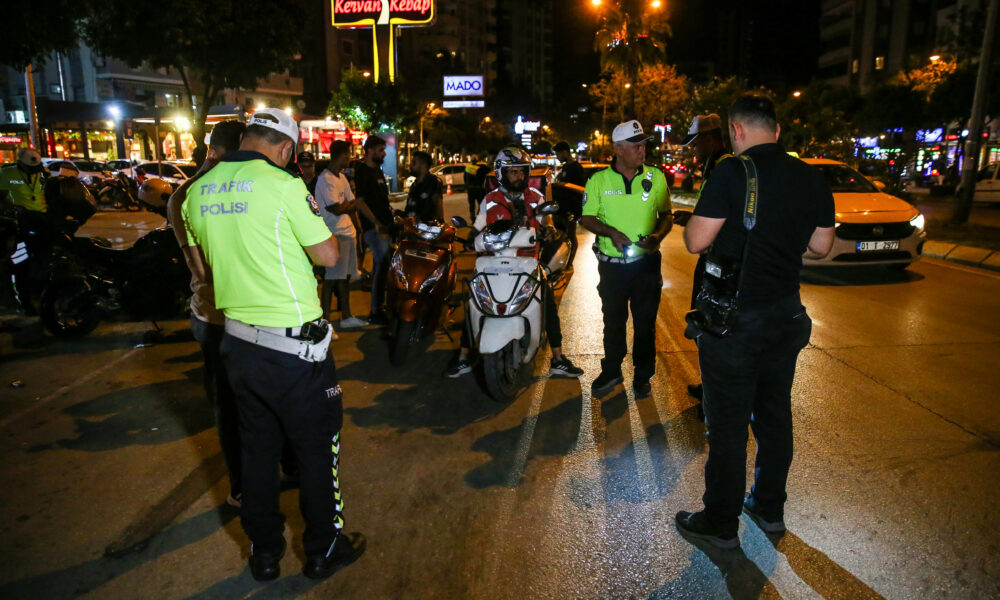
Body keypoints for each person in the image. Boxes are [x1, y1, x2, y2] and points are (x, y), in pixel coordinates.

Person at [180, 108, 366, 581]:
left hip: (238, 345)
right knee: (316, 451)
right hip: (295, 352)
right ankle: (324, 549)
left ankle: (264, 554)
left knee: (257, 453)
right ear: (285, 148)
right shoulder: (284, 185)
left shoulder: (196, 192)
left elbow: (203, 270)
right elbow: (328, 255)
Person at [674, 94, 835, 549]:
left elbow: (696, 240)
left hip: (736, 324)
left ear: (736, 130)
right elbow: (821, 246)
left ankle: (720, 522)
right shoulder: (811, 176)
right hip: (786, 317)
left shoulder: (732, 171)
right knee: (774, 417)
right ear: (777, 131)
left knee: (727, 426)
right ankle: (768, 507)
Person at [445, 146, 583, 379]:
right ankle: (463, 357)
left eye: (522, 171)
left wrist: (548, 231)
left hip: (528, 262)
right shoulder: (490, 200)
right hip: (494, 262)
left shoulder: (536, 198)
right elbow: (478, 227)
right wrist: (470, 238)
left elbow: (547, 223)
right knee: (473, 302)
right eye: (513, 172)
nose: (519, 176)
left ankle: (558, 358)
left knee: (547, 299)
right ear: (502, 174)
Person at [166, 119, 247, 509]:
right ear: (213, 153)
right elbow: (202, 271)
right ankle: (241, 485)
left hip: (250, 315)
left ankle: (282, 463)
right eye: (237, 157)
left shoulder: (242, 187)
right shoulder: (186, 197)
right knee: (229, 405)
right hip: (216, 319)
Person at [580, 120, 673, 399]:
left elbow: (666, 215)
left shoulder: (656, 177)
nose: (642, 151)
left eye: (643, 145)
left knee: (645, 323)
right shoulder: (598, 180)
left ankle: (643, 374)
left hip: (646, 265)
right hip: (612, 268)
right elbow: (587, 218)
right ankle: (612, 369)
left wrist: (657, 237)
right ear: (618, 149)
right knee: (613, 320)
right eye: (636, 146)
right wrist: (611, 232)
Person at [679, 114, 731, 402]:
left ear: (710, 139)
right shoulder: (715, 166)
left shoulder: (725, 168)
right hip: (713, 258)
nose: (693, 149)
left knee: (709, 324)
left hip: (718, 262)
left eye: (696, 143)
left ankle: (714, 397)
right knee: (705, 323)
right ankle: (710, 386)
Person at [315, 140, 366, 329]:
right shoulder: (325, 179)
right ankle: (325, 322)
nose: (350, 158)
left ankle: (346, 316)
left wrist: (357, 227)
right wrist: (353, 205)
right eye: (348, 154)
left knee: (343, 277)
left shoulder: (341, 177)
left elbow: (350, 204)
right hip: (334, 235)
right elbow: (337, 208)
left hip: (346, 234)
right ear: (342, 155)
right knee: (331, 279)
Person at [1, 148, 49, 314]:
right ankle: (23, 301)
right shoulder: (7, 173)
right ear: (20, 163)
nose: (33, 171)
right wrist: (12, 209)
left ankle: (44, 296)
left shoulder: (43, 173)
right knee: (21, 262)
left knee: (44, 259)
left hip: (41, 222)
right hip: (19, 224)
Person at [352, 135, 393, 326]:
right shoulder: (362, 171)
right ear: (369, 150)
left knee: (385, 267)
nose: (383, 154)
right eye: (380, 150)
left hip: (385, 227)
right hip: (374, 229)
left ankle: (382, 307)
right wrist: (376, 222)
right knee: (381, 266)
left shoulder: (377, 170)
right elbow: (360, 202)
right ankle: (376, 311)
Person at [404, 151, 444, 222]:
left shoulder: (432, 182)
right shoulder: (414, 185)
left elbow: (438, 207)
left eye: (414, 163)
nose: (410, 166)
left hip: (426, 227)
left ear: (423, 165)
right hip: (412, 226)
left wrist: (439, 223)